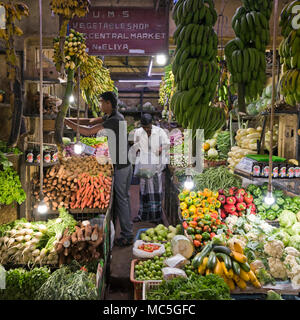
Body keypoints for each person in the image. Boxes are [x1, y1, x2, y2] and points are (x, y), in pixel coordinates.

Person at [64, 91, 134, 247]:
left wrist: (67, 123)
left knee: (122, 200)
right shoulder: (111, 116)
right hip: (124, 163)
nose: (100, 105)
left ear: (109, 103)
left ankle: (128, 235)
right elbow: (89, 121)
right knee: (124, 198)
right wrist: (68, 119)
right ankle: (126, 230)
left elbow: (89, 131)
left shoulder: (115, 120)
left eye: (102, 102)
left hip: (122, 165)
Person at [132, 113, 170, 223]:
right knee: (143, 191)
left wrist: (160, 148)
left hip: (156, 166)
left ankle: (157, 217)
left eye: (148, 127)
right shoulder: (138, 132)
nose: (146, 130)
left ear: (151, 124)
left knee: (156, 191)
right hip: (144, 166)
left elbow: (167, 144)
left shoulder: (159, 132)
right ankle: (143, 215)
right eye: (144, 127)